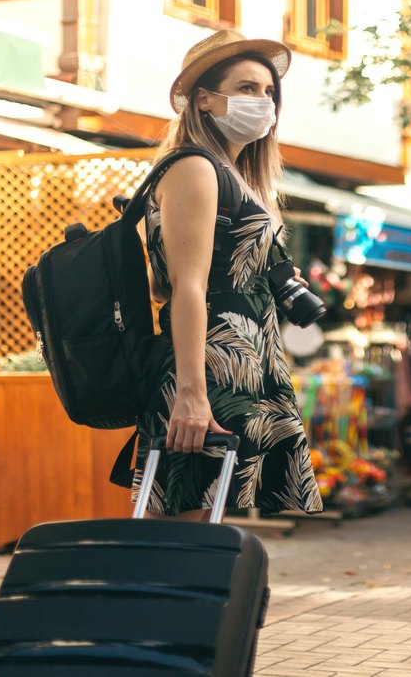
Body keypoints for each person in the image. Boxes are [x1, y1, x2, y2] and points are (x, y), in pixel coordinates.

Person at [132, 30, 323, 519]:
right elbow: (185, 286)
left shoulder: (240, 177)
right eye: (246, 88)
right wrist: (192, 394)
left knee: (202, 528)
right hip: (212, 368)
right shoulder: (196, 167)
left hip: (246, 365)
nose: (262, 101)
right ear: (204, 98)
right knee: (179, 529)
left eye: (268, 91)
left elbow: (171, 280)